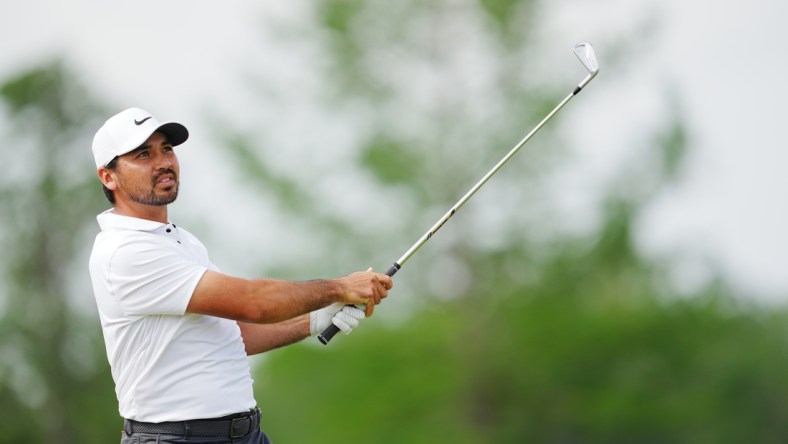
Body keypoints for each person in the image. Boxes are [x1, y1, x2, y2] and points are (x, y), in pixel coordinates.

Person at [88, 107, 393, 444]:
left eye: (167, 149)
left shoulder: (179, 240)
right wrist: (339, 288)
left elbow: (233, 335)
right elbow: (253, 303)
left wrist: (312, 320)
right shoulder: (125, 251)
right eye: (143, 154)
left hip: (244, 434)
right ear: (108, 176)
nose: (163, 161)